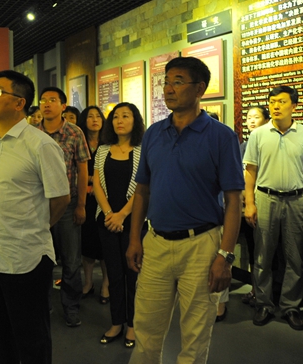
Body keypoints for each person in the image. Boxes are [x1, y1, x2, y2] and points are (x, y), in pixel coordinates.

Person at [126, 56, 244, 364]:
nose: (168, 89)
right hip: (156, 243)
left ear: (200, 88)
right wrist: (135, 239)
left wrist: (225, 256)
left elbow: (234, 201)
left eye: (178, 82)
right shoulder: (153, 133)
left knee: (195, 336)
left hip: (201, 246)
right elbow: (142, 191)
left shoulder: (221, 136)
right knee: (146, 331)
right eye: (166, 82)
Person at [0, 70, 70, 364]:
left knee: (31, 341)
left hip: (25, 258)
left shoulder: (40, 145)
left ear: (19, 103)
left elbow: (61, 199)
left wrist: (34, 228)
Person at [244, 86, 303, 330]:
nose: (276, 106)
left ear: (294, 106)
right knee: (262, 255)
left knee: (295, 257)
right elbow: (250, 171)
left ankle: (290, 306)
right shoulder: (259, 134)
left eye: (282, 101)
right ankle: (264, 303)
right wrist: (250, 203)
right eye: (272, 101)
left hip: (297, 200)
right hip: (266, 198)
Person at [92, 102, 144, 348]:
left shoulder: (143, 151)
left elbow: (143, 187)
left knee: (133, 275)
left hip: (134, 222)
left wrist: (122, 215)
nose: (119, 121)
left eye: (125, 116)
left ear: (135, 121)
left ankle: (133, 324)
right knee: (113, 275)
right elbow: (97, 184)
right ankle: (116, 322)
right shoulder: (103, 150)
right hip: (107, 220)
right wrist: (109, 214)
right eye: (115, 117)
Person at [38, 86, 90, 327]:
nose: (46, 104)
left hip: (68, 205)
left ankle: (71, 306)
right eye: (43, 100)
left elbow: (82, 169)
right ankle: (43, 304)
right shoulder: (32, 133)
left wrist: (81, 205)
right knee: (41, 258)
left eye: (52, 100)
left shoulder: (74, 132)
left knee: (71, 259)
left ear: (63, 105)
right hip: (39, 205)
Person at [238, 105, 270, 308]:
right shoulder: (244, 146)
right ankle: (255, 288)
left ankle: (266, 291)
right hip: (246, 204)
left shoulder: (269, 142)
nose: (251, 120)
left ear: (266, 120)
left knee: (267, 249)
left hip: (265, 201)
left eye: (256, 117)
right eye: (248, 117)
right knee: (253, 247)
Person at [77, 106, 110, 304]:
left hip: (105, 199)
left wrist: (92, 180)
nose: (95, 119)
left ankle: (106, 284)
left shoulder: (108, 142)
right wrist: (89, 181)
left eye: (98, 116)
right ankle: (88, 283)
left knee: (104, 244)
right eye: (90, 116)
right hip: (84, 199)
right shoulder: (79, 141)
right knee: (87, 243)